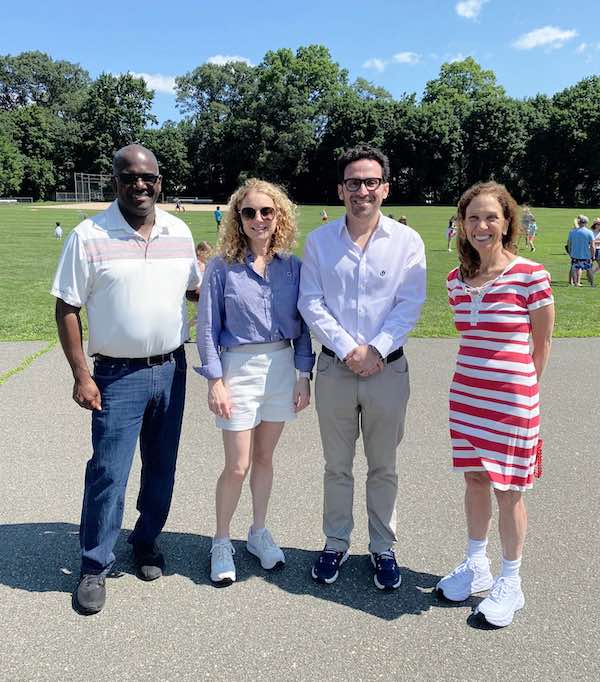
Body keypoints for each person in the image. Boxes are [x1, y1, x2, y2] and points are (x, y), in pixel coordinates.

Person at [51, 144, 200, 615]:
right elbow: (66, 307)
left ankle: (145, 540)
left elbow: (195, 290)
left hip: (171, 369)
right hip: (116, 375)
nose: (140, 185)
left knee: (162, 467)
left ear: (160, 182)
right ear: (114, 181)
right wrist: (81, 374)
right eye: (129, 176)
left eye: (148, 177)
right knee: (109, 472)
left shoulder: (178, 231)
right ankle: (94, 564)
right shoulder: (89, 235)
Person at [298, 144, 426, 590]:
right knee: (337, 466)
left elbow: (409, 304)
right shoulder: (320, 242)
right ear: (340, 190)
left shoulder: (407, 242)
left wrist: (376, 350)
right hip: (335, 369)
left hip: (387, 371)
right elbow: (311, 302)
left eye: (371, 182)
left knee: (383, 466)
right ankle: (335, 541)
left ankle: (383, 546)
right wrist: (349, 348)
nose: (362, 191)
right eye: (353, 183)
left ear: (385, 188)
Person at [437, 181, 554, 628]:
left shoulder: (531, 275)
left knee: (509, 491)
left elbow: (542, 344)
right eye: (473, 218)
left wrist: (523, 393)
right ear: (462, 225)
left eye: (491, 217)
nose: (481, 225)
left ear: (507, 223)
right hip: (467, 399)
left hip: (511, 403)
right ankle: (476, 564)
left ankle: (511, 581)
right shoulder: (455, 281)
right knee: (474, 480)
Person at [197, 179, 314, 587]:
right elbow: (207, 328)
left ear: (279, 216)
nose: (258, 219)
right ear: (238, 218)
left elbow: (303, 327)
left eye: (267, 211)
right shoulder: (221, 267)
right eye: (249, 212)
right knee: (237, 464)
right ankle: (221, 540)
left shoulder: (293, 267)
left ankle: (258, 532)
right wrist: (215, 380)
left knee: (264, 459)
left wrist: (303, 375)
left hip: (282, 366)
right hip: (238, 368)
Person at [567, 214, 595, 287]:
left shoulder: (572, 232)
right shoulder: (589, 232)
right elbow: (592, 245)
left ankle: (576, 283)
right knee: (589, 269)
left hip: (575, 254)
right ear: (586, 223)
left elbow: (569, 243)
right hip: (586, 255)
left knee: (574, 268)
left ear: (579, 222)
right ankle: (592, 284)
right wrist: (593, 255)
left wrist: (570, 252)